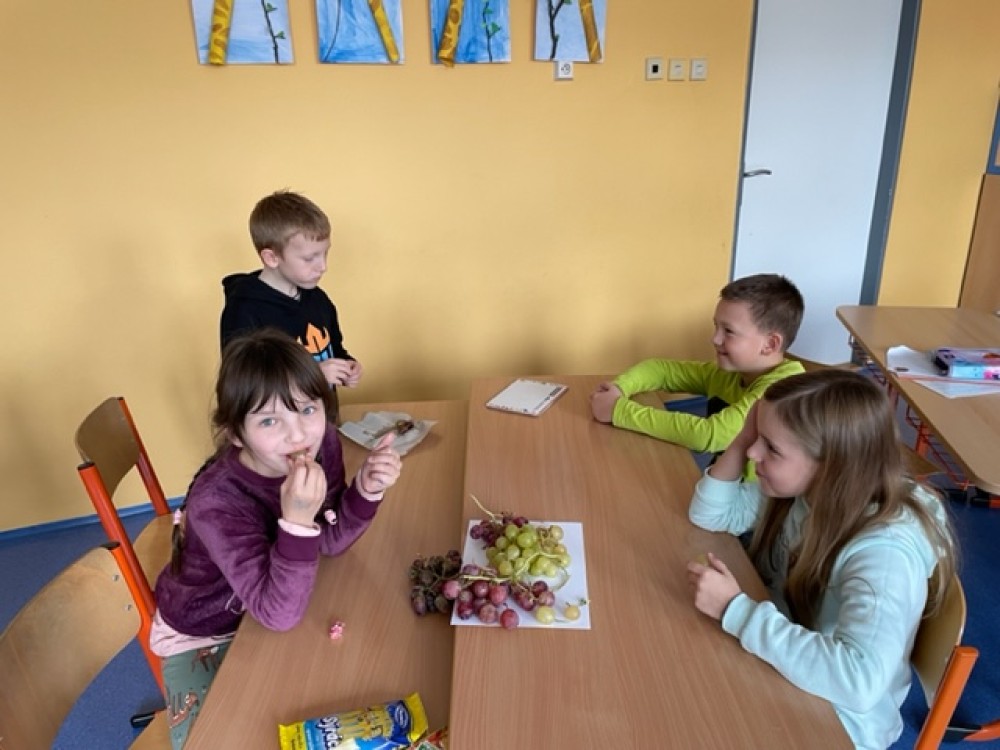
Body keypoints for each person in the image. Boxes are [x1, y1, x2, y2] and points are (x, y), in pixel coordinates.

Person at [150, 328, 401, 748]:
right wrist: (297, 521)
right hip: (205, 630)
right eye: (269, 420)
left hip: (270, 604)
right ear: (236, 434)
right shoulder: (217, 502)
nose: (297, 434)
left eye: (307, 409)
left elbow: (329, 540)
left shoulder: (323, 441)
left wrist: (366, 490)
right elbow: (279, 614)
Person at [686, 369, 957, 750]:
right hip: (785, 657)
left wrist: (737, 611)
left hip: (837, 719)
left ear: (831, 466)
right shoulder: (807, 491)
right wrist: (744, 437)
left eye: (771, 448)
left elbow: (859, 683)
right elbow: (709, 515)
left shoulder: (885, 554)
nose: (753, 454)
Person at [589, 273, 805, 457]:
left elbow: (709, 435)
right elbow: (660, 370)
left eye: (729, 331)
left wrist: (619, 411)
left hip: (754, 492)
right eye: (716, 327)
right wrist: (619, 389)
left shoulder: (783, 391)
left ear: (770, 344)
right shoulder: (730, 372)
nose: (715, 339)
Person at [220, 190, 362, 419]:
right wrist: (314, 376)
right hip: (282, 432)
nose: (323, 266)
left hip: (322, 420)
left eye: (325, 254)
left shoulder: (318, 299)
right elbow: (244, 386)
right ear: (272, 258)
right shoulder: (245, 310)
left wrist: (347, 365)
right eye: (309, 258)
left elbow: (334, 348)